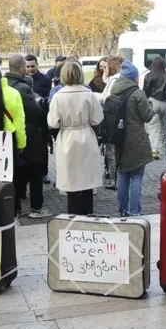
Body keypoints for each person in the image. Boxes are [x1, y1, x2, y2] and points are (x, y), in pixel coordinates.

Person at [47, 60, 103, 215]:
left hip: (67, 139)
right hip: (86, 136)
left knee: (71, 183)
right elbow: (97, 118)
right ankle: (88, 216)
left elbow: (53, 122)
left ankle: (72, 218)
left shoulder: (58, 96)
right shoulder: (89, 94)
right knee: (87, 182)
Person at [5, 54, 52, 218]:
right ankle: (36, 208)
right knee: (36, 172)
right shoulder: (23, 88)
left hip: (10, 135)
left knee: (16, 173)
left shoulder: (4, 86)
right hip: (29, 135)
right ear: (21, 68)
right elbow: (36, 111)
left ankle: (15, 209)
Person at [110, 61, 154, 216]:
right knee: (136, 176)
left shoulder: (114, 91)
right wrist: (151, 105)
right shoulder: (137, 93)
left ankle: (123, 209)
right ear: (134, 77)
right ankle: (135, 211)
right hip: (136, 140)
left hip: (119, 140)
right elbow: (147, 116)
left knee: (122, 174)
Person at [25, 54, 53, 184]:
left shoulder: (45, 79)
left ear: (37, 65)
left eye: (32, 66)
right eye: (28, 66)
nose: (30, 69)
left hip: (41, 118)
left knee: (43, 146)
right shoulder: (22, 80)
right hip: (26, 119)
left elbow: (47, 99)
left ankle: (44, 172)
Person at [143, 57, 166, 160]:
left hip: (152, 102)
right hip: (165, 103)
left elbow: (145, 91)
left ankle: (153, 150)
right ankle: (162, 148)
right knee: (164, 126)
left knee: (153, 127)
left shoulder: (148, 76)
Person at [99, 56, 124, 189]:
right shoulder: (115, 79)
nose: (103, 70)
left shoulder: (114, 81)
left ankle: (115, 180)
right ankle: (115, 179)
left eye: (106, 67)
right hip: (114, 120)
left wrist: (94, 96)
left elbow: (106, 99)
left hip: (111, 121)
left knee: (111, 151)